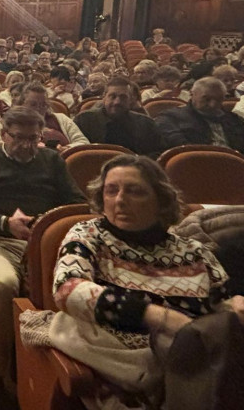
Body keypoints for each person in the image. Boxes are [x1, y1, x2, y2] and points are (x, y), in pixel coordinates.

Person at [48, 155, 244, 408]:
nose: (119, 200)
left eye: (135, 191)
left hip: (198, 365)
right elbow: (68, 289)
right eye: (111, 191)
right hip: (123, 370)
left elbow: (221, 302)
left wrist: (234, 303)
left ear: (160, 200)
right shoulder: (88, 234)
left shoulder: (193, 250)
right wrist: (160, 317)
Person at [0, 107, 86, 404]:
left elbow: (76, 201)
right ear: (4, 135)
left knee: (79, 289)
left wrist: (49, 222)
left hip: (46, 243)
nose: (26, 146)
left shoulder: (51, 160)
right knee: (1, 284)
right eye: (19, 138)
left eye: (33, 138)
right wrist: (3, 221)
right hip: (1, 240)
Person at [74, 76, 164, 157]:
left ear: (131, 100)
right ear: (104, 97)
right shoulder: (84, 120)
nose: (117, 102)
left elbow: (158, 154)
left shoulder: (146, 124)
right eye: (112, 96)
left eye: (123, 97)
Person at [155, 76, 244, 152]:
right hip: (196, 165)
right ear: (192, 93)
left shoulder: (234, 119)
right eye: (206, 99)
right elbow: (181, 150)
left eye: (219, 100)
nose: (213, 104)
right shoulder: (171, 118)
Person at [0, 82, 88, 150]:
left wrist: (66, 148)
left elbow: (83, 142)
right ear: (21, 104)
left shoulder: (61, 119)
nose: (39, 108)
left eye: (43, 105)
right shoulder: (5, 122)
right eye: (33, 104)